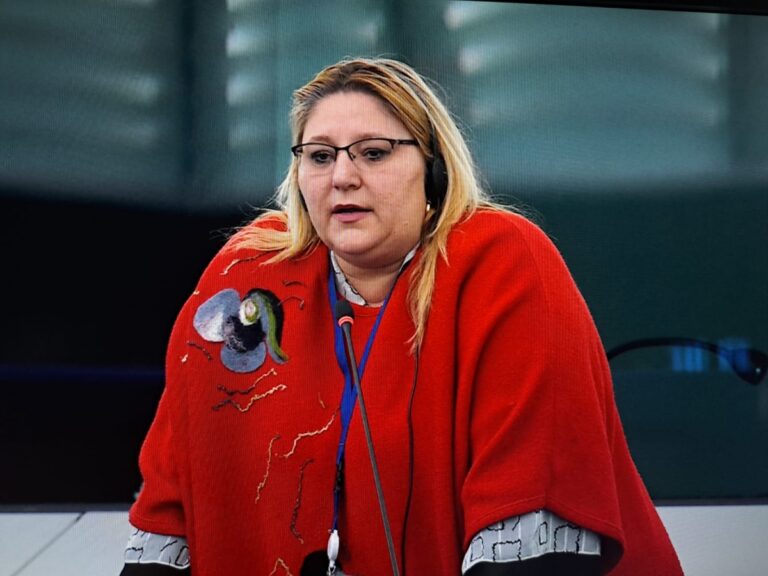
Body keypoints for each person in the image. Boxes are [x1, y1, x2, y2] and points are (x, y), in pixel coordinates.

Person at [120, 57, 683, 576]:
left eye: (373, 153)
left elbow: (533, 531)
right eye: (320, 156)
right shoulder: (247, 275)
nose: (342, 177)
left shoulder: (504, 260)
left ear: (433, 172)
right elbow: (169, 512)